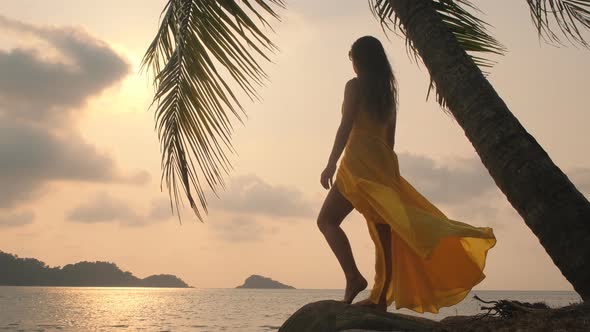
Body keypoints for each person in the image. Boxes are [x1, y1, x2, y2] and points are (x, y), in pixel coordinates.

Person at [317, 35, 496, 314]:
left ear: (359, 62)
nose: (352, 65)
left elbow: (345, 126)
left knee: (327, 220)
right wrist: (389, 175)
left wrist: (331, 163)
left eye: (352, 59)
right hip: (382, 162)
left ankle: (354, 278)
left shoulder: (354, 86)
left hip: (357, 160)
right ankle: (379, 298)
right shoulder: (388, 94)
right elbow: (390, 140)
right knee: (384, 229)